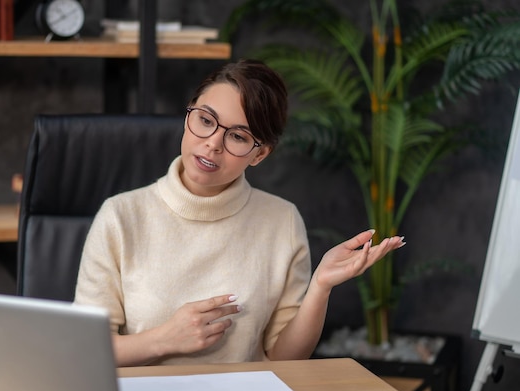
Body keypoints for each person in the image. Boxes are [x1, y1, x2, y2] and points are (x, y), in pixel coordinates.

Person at [74, 59, 404, 367]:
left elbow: (284, 360)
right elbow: (85, 349)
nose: (213, 144)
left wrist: (320, 286)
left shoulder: (282, 222)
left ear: (259, 154)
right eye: (205, 120)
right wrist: (164, 339)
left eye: (237, 136)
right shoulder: (120, 216)